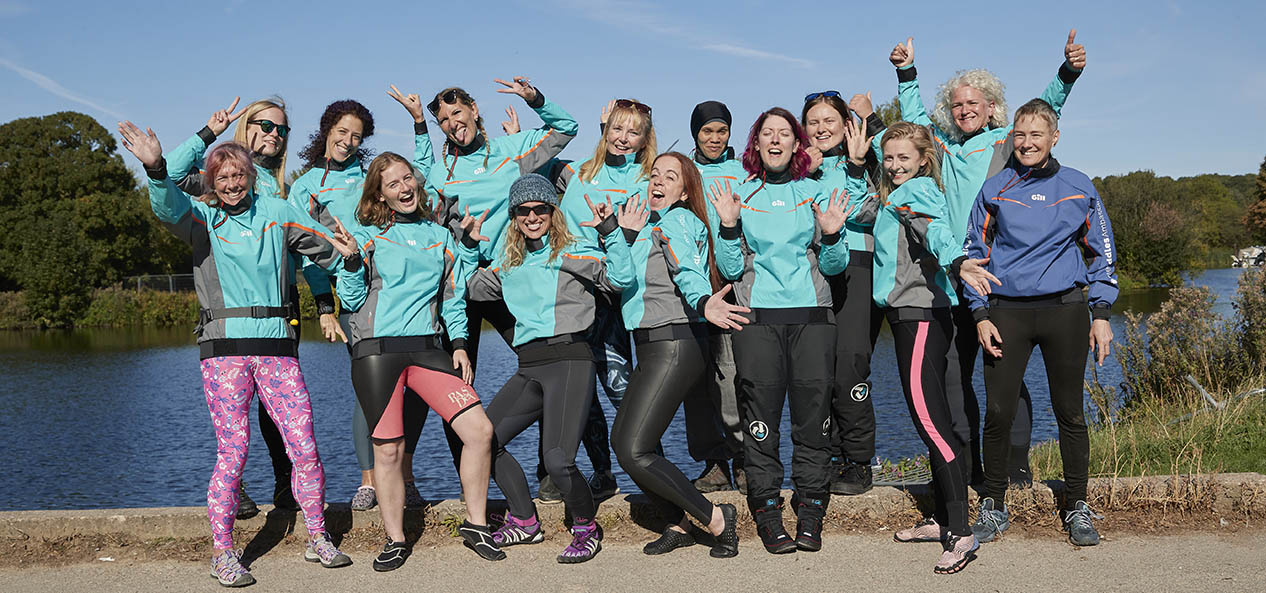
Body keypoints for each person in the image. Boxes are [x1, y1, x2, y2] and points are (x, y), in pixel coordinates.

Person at [117, 125, 355, 586]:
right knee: (234, 450)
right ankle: (223, 553)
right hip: (224, 353)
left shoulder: (277, 212)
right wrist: (155, 167)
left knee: (303, 445)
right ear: (211, 181)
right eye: (221, 177)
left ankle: (318, 537)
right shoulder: (203, 217)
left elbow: (323, 249)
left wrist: (347, 253)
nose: (231, 184)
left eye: (238, 175)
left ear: (249, 175)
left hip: (277, 350)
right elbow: (167, 205)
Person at [888, 31, 1087, 485]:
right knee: (956, 383)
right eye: (957, 105)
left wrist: (1068, 72)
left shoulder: (1004, 143)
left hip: (996, 280)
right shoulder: (942, 147)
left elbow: (1045, 108)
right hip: (950, 279)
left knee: (1007, 379)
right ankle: (971, 467)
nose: (965, 111)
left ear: (992, 106)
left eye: (973, 103)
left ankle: (1016, 467)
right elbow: (914, 118)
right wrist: (906, 73)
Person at [958, 98, 1117, 547]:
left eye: (1036, 135)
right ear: (1012, 138)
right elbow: (975, 257)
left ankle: (1077, 505)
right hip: (1006, 311)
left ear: (1054, 138)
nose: (1027, 143)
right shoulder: (995, 188)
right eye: (1020, 135)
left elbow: (1102, 254)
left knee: (1069, 411)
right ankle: (994, 504)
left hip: (1065, 309)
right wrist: (980, 313)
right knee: (998, 412)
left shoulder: (1079, 186)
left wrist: (1101, 314)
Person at [336, 152, 503, 570]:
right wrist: (353, 262)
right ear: (379, 193)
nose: (404, 188)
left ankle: (476, 524)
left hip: (428, 349)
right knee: (389, 451)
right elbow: (353, 300)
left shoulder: (440, 235)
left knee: (479, 430)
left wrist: (461, 344)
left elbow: (452, 298)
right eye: (392, 184)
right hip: (378, 352)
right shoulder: (367, 235)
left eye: (407, 178)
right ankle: (394, 538)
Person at [162, 96, 324, 516]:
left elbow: (312, 248)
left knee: (282, 414)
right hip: (231, 321)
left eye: (281, 129)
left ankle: (286, 485)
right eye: (265, 125)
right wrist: (208, 132)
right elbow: (172, 177)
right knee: (235, 416)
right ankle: (240, 488)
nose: (273, 134)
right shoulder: (217, 178)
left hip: (281, 307)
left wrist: (323, 300)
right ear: (246, 126)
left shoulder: (282, 189)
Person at [463, 173, 634, 564]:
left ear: (552, 211)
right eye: (523, 210)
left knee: (558, 459)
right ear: (515, 216)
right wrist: (470, 245)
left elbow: (621, 279)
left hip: (570, 360)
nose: (533, 216)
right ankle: (524, 520)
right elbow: (468, 288)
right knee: (483, 442)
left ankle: (586, 528)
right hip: (529, 366)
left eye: (541, 208)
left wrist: (610, 230)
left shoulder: (573, 252)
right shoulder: (508, 263)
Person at [708, 107, 855, 555]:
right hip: (757, 322)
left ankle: (811, 510)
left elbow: (835, 267)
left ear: (797, 145)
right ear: (756, 144)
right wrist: (729, 226)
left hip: (812, 319)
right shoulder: (739, 194)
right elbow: (731, 270)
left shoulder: (816, 193)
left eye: (784, 134)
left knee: (813, 423)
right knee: (760, 425)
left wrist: (831, 235)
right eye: (767, 134)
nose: (775, 140)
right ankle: (769, 513)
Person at [844, 119, 975, 574]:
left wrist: (957, 260)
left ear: (924, 159)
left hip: (919, 316)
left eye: (906, 157)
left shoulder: (915, 194)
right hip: (911, 316)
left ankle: (960, 533)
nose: (897, 165)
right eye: (892, 157)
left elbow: (934, 232)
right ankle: (942, 519)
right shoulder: (890, 195)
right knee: (933, 420)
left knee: (931, 423)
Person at [291, 97, 431, 511]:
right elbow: (310, 253)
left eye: (357, 136)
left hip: (398, 287)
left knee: (413, 387)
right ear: (326, 130)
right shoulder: (305, 188)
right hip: (354, 296)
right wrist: (325, 306)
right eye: (342, 132)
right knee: (371, 387)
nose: (349, 142)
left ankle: (405, 476)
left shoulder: (372, 176)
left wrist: (420, 123)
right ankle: (369, 480)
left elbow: (424, 178)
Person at [609, 152, 745, 558]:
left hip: (674, 343)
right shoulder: (647, 224)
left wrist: (703, 300)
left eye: (671, 176)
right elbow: (622, 280)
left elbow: (687, 268)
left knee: (634, 448)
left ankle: (716, 517)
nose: (659, 181)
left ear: (685, 191)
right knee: (626, 444)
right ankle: (679, 520)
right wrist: (621, 235)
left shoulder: (677, 222)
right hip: (651, 343)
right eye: (655, 174)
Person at [554, 98, 659, 501]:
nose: (624, 138)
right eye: (618, 129)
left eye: (634, 132)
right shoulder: (583, 175)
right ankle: (602, 472)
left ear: (645, 138)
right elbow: (567, 235)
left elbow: (636, 239)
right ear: (606, 130)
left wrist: (612, 240)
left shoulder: (647, 178)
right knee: (582, 391)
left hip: (618, 295)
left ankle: (653, 468)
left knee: (620, 386)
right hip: (580, 295)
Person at [802, 91, 887, 495]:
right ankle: (829, 456)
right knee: (820, 371)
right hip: (812, 271)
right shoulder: (797, 168)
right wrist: (803, 172)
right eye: (813, 122)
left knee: (851, 367)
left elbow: (864, 213)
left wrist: (854, 165)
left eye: (829, 121)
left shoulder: (868, 162)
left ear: (846, 124)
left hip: (855, 267)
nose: (821, 128)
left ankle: (858, 460)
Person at [684, 100, 747, 494]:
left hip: (730, 282)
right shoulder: (682, 171)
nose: (714, 137)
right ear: (695, 134)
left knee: (730, 373)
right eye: (707, 131)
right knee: (694, 376)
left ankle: (742, 457)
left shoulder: (740, 171)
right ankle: (713, 463)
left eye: (721, 130)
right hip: (690, 283)